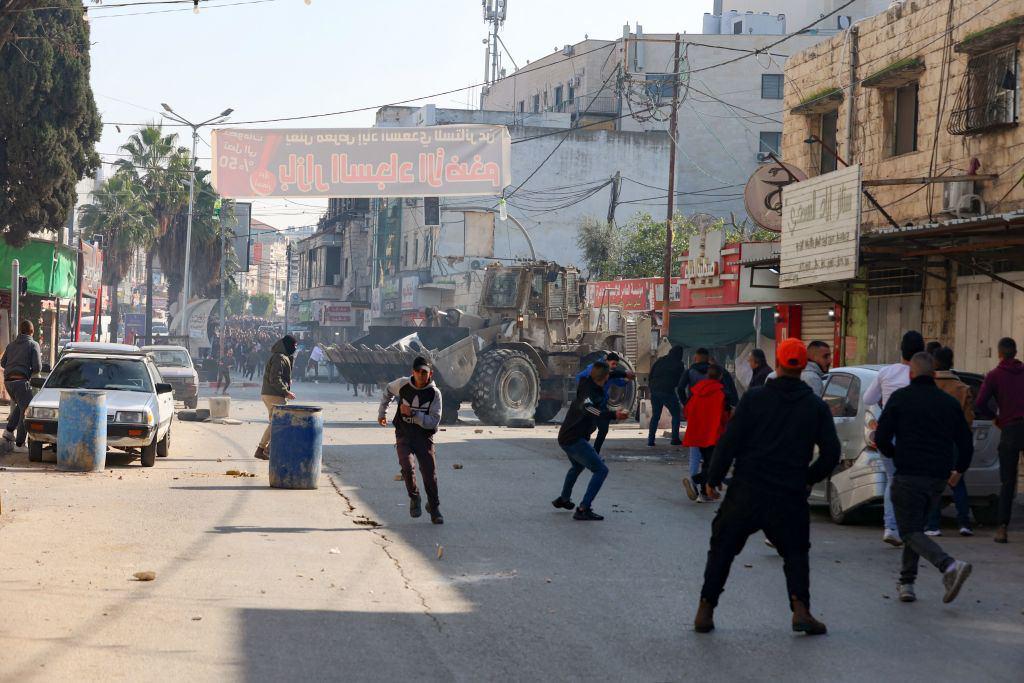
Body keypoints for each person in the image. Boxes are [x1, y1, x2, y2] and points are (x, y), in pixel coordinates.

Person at [694, 339, 840, 635]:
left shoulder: (755, 399)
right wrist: (808, 478)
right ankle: (801, 610)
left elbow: (729, 441)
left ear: (780, 364)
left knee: (722, 549)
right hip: (789, 494)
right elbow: (831, 454)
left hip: (747, 489)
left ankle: (705, 610)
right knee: (796, 552)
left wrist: (712, 478)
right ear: (802, 367)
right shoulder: (814, 406)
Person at [875, 352, 974, 604]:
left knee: (908, 531)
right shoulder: (948, 403)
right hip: (937, 478)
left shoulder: (900, 399)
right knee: (916, 529)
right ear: (933, 375)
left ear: (910, 374)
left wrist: (895, 455)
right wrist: (959, 469)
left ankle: (949, 566)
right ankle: (907, 583)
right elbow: (965, 442)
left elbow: (881, 438)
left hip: (909, 473)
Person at [864, 330, 925, 546]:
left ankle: (891, 527)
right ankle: (911, 528)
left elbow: (868, 398)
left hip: (889, 435)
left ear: (901, 349)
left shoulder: (886, 372)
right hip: (914, 437)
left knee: (893, 480)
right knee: (914, 483)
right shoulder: (922, 377)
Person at [552, 360, 629, 521]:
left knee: (577, 467)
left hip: (566, 436)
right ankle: (583, 508)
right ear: (605, 377)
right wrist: (614, 415)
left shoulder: (585, 381)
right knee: (601, 470)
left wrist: (624, 374)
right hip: (574, 439)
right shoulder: (591, 396)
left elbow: (609, 373)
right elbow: (591, 410)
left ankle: (564, 499)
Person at [378, 356, 444, 524]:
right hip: (404, 434)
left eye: (425, 372)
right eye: (418, 372)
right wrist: (382, 413)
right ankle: (415, 497)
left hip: (424, 437)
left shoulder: (434, 393)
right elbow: (387, 390)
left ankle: (434, 507)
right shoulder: (403, 384)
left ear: (430, 374)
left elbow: (433, 422)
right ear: (412, 372)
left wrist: (414, 414)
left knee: (429, 475)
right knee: (407, 467)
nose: (422, 376)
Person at [975, 336, 1024, 544]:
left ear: (999, 353)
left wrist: (995, 418)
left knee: (1007, 481)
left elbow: (980, 404)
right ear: (1016, 352)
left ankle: (1002, 528)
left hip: (1010, 429)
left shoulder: (994, 376)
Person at [926, 346, 974, 537]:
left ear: (935, 362)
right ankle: (964, 523)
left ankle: (933, 525)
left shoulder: (929, 386)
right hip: (955, 441)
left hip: (934, 441)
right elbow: (968, 420)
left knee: (934, 483)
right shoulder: (963, 388)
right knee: (958, 482)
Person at [678, 349, 738, 486]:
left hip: (696, 418)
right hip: (714, 424)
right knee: (712, 458)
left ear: (695, 358)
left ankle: (695, 483)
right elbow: (730, 401)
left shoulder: (693, 382)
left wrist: (686, 404)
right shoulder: (720, 388)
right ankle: (705, 485)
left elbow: (681, 389)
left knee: (695, 454)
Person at [682, 365, 729, 503]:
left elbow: (687, 411)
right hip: (713, 434)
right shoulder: (720, 394)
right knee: (713, 465)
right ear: (720, 376)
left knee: (707, 463)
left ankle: (704, 493)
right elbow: (723, 416)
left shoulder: (696, 391)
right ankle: (694, 481)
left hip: (697, 432)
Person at [575, 352, 633, 454]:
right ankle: (578, 447)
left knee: (603, 428)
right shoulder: (595, 368)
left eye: (616, 364)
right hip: (591, 403)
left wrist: (628, 379)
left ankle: (595, 453)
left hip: (601, 403)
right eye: (613, 363)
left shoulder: (609, 373)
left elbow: (619, 382)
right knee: (590, 426)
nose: (614, 366)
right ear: (606, 361)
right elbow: (580, 377)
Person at [254, 335, 297, 461]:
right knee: (281, 423)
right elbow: (275, 378)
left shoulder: (282, 357)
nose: (295, 348)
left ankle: (264, 450)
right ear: (287, 345)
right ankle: (264, 449)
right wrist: (285, 391)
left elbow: (280, 376)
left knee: (276, 423)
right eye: (294, 346)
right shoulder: (279, 357)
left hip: (270, 394)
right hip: (274, 395)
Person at [1, 320, 42, 450]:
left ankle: (8, 432)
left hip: (8, 383)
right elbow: (37, 367)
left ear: (20, 330)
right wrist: (28, 372)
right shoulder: (33, 344)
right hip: (21, 382)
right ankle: (19, 444)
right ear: (32, 331)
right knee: (26, 410)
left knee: (21, 406)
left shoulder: (11, 345)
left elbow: (2, 363)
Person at [647, 346, 685, 447]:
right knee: (676, 414)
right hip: (668, 391)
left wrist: (651, 388)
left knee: (655, 416)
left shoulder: (660, 361)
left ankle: (651, 440)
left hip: (655, 391)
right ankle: (675, 439)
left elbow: (651, 375)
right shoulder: (679, 364)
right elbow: (681, 381)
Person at [765, 340, 831, 395]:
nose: (830, 360)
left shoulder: (771, 376)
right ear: (812, 356)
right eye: (825, 357)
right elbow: (812, 408)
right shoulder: (813, 378)